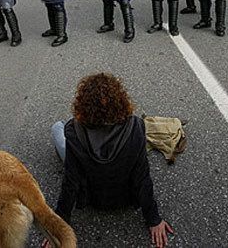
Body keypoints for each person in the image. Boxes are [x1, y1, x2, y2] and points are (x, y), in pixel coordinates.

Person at [44, 72, 174, 248]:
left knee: (57, 127)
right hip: (124, 198)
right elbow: (142, 178)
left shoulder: (73, 130)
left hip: (92, 198)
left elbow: (70, 182)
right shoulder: (136, 126)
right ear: (121, 101)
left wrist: (59, 225)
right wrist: (154, 219)